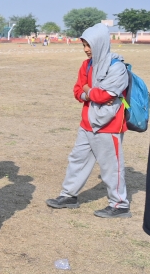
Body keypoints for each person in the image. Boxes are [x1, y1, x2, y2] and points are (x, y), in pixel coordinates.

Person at [46, 23, 130, 218]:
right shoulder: (86, 65)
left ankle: (119, 205)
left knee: (111, 166)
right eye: (83, 45)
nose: (86, 49)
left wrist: (89, 92)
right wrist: (90, 93)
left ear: (100, 43)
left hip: (109, 125)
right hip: (87, 123)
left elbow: (105, 95)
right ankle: (69, 196)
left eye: (89, 45)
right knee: (77, 159)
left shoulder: (117, 67)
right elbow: (78, 90)